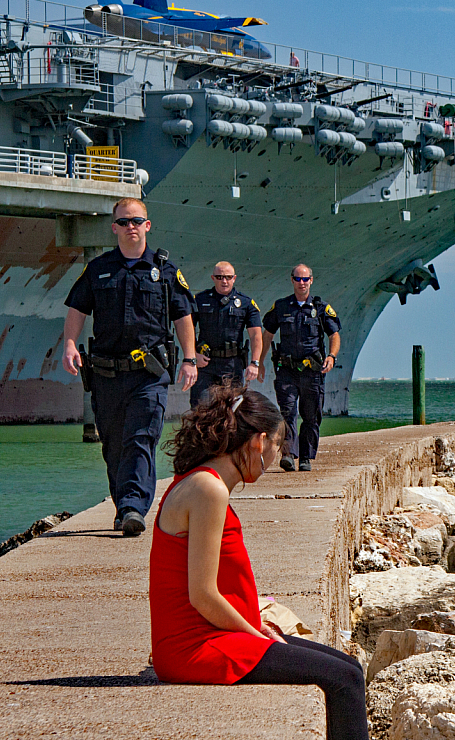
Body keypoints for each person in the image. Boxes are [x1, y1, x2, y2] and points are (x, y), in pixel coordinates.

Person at [150, 387, 368, 739]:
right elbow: (202, 595)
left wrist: (257, 628)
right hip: (195, 647)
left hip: (213, 635)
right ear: (259, 441)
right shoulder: (209, 489)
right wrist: (256, 635)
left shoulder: (205, 481)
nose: (276, 456)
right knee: (345, 681)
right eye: (278, 446)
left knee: (350, 667)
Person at [62, 197, 197, 537]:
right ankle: (124, 506)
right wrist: (67, 345)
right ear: (114, 227)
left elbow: (183, 316)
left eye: (136, 220)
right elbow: (78, 308)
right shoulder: (98, 268)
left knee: (141, 438)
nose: (130, 226)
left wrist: (190, 359)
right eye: (123, 222)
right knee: (113, 444)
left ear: (147, 225)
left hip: (149, 375)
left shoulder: (166, 270)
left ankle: (134, 507)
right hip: (106, 374)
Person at [258, 264, 341, 472]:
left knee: (311, 416)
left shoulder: (321, 308)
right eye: (298, 279)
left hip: (312, 371)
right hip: (287, 370)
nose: (301, 283)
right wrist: (259, 361)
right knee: (287, 413)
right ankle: (288, 454)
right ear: (292, 280)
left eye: (305, 279)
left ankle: (305, 456)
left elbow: (334, 335)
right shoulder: (281, 307)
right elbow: (267, 334)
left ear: (311, 280)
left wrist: (331, 356)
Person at [191, 261, 263, 407]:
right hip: (206, 364)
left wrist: (255, 363)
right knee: (201, 408)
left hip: (232, 365)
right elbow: (187, 328)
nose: (224, 281)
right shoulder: (200, 300)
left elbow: (256, 335)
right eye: (219, 277)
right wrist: (193, 355)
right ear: (213, 278)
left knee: (232, 411)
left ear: (234, 278)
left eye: (228, 277)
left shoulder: (245, 303)